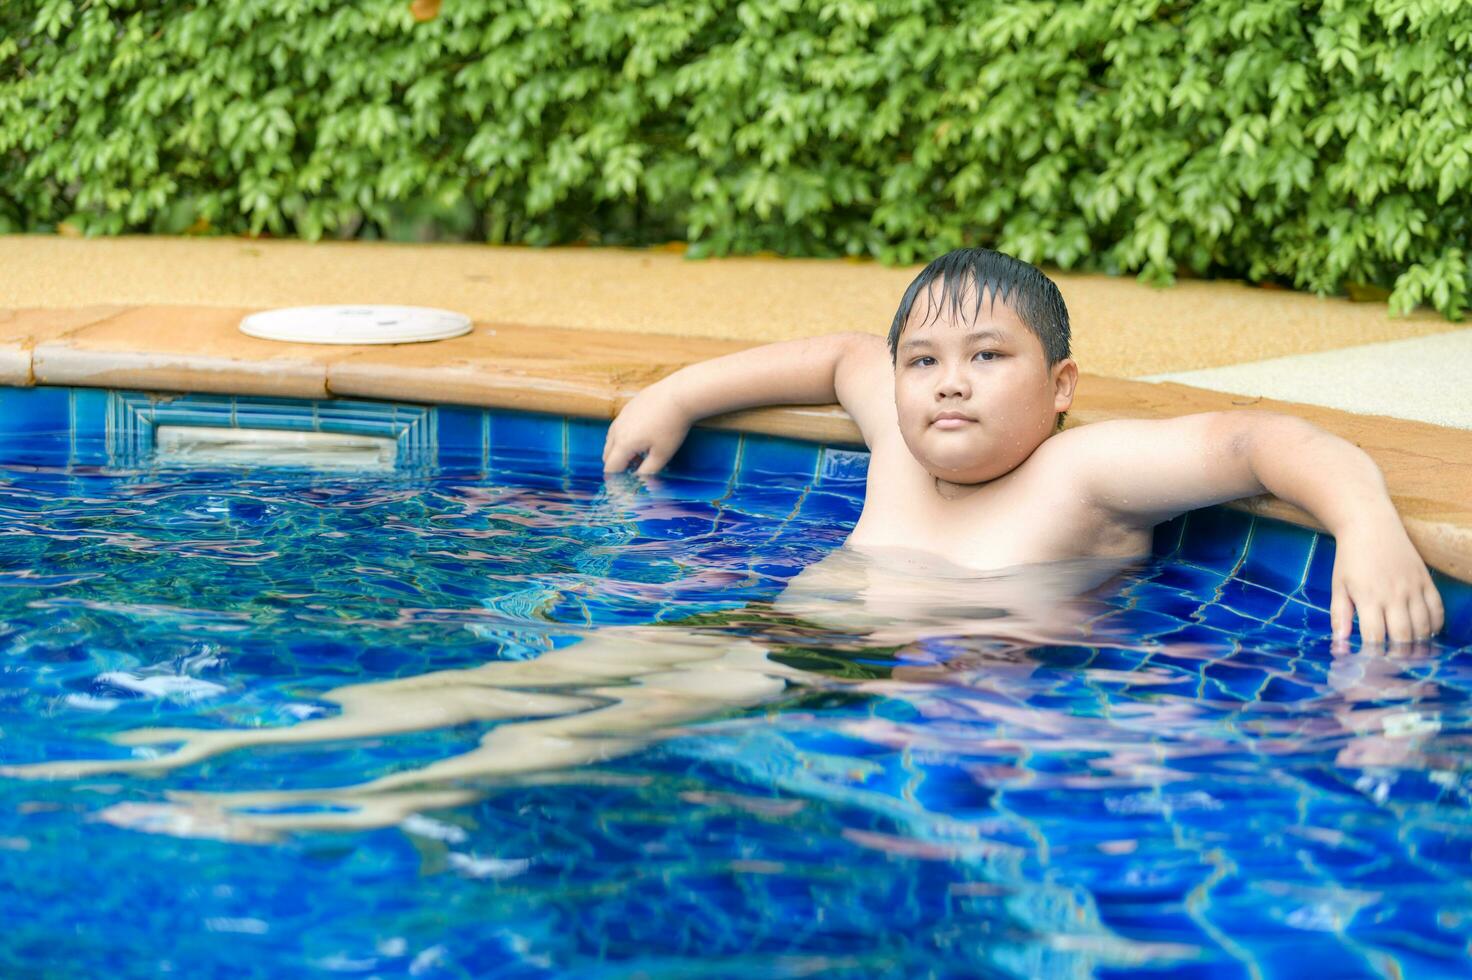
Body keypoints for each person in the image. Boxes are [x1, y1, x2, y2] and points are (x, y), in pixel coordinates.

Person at [604, 247, 1444, 646]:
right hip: (786, 645)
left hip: (983, 712)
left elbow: (1261, 440)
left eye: (988, 356)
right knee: (584, 677)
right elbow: (842, 354)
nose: (949, 382)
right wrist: (676, 393)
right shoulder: (902, 450)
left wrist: (1366, 523)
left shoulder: (1080, 475)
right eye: (924, 362)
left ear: (1061, 386)